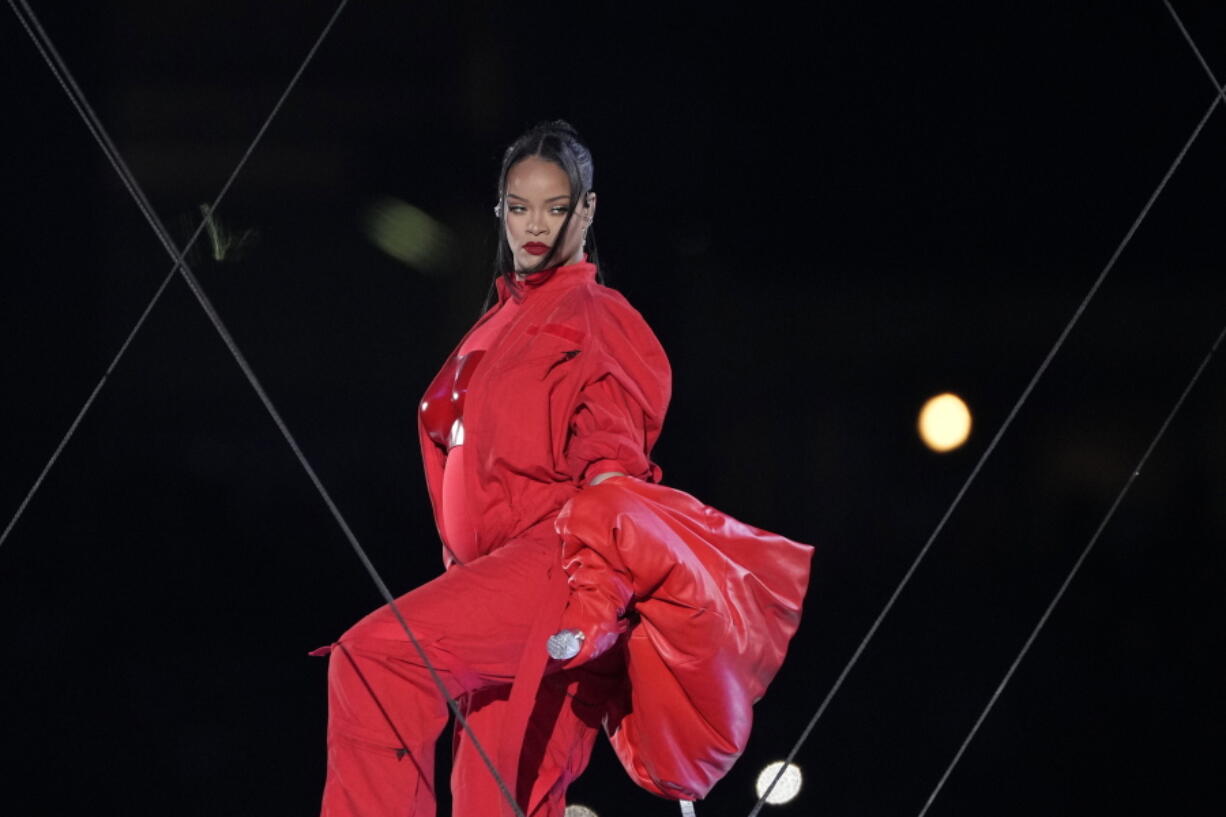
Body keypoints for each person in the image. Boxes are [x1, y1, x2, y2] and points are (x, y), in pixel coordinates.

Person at [317, 121, 812, 817]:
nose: (535, 226)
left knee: (376, 662)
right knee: (494, 804)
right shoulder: (491, 326)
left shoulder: (597, 316)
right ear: (500, 210)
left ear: (586, 211)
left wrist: (591, 608)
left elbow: (615, 480)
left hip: (556, 569)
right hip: (494, 579)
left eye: (555, 208)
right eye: (519, 208)